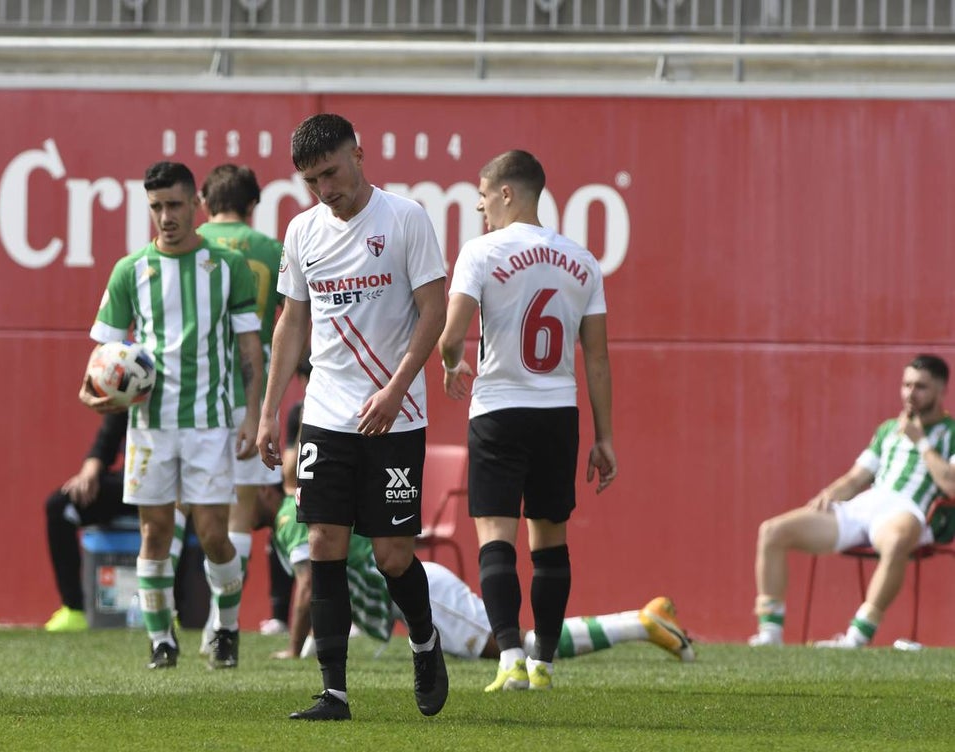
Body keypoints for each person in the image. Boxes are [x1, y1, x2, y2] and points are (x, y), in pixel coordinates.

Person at [256, 113, 449, 721]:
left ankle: (424, 640)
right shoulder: (302, 231)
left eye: (332, 173)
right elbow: (292, 323)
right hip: (326, 416)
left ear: (359, 155)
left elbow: (434, 311)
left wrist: (396, 389)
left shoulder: (405, 218)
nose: (325, 189)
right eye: (312, 181)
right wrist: (269, 411)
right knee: (322, 545)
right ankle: (334, 692)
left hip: (397, 414)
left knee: (392, 555)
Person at [437, 149, 617, 693]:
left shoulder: (482, 252)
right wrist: (605, 437)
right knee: (550, 541)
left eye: (484, 196)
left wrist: (452, 364)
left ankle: (510, 656)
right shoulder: (583, 259)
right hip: (558, 411)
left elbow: (449, 338)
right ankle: (544, 665)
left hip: (498, 408)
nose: (480, 207)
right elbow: (598, 358)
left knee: (496, 535)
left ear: (508, 193)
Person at [80, 160, 264, 671]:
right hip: (150, 426)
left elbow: (251, 349)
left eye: (175, 205)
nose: (166, 216)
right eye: (157, 207)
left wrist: (252, 416)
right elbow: (103, 357)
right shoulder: (129, 271)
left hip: (210, 422)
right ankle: (161, 640)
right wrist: (92, 391)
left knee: (210, 533)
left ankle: (225, 629)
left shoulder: (227, 268)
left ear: (196, 206)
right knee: (155, 533)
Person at [261, 493, 694, 664]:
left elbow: (309, 590)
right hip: (413, 592)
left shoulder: (289, 516)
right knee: (516, 646)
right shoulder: (294, 508)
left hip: (427, 593)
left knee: (518, 647)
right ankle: (643, 621)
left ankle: (642, 622)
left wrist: (293, 649)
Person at [750, 354, 955, 648]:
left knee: (897, 541)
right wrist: (829, 493)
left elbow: (951, 485)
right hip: (867, 504)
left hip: (908, 511)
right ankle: (770, 633)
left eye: (920, 386)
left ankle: (856, 636)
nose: (910, 393)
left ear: (940, 390)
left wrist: (920, 441)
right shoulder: (888, 430)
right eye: (906, 385)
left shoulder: (951, 433)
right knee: (772, 531)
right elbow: (856, 478)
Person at [196, 163, 286, 646]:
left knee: (176, 509)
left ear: (204, 203)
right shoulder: (273, 250)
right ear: (253, 206)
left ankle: (163, 621)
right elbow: (285, 322)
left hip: (199, 389)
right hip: (254, 390)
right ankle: (219, 622)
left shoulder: (190, 244)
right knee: (241, 513)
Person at [43, 411, 135, 632]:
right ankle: (74, 609)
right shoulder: (135, 389)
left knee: (181, 513)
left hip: (173, 486)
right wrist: (89, 472)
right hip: (131, 482)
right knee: (60, 506)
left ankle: (176, 610)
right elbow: (107, 439)